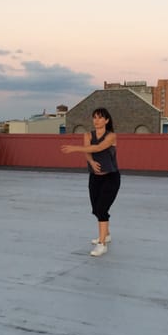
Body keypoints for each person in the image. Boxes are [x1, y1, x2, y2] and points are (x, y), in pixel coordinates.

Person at [61, 107, 121, 257]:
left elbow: (99, 147)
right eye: (94, 117)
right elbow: (89, 151)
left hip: (111, 177)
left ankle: (102, 244)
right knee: (96, 209)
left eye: (100, 118)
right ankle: (106, 234)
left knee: (101, 209)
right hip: (94, 177)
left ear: (107, 120)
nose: (97, 120)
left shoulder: (112, 136)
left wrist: (74, 148)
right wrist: (92, 163)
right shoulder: (87, 135)